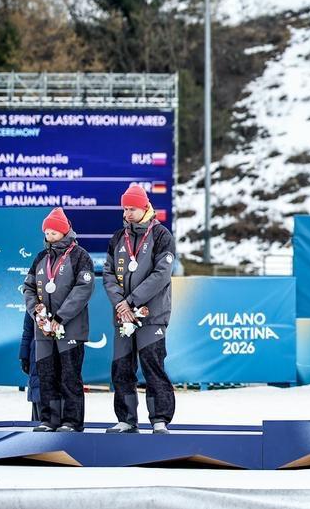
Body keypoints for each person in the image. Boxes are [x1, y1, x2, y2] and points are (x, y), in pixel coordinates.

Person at [103, 185, 177, 434]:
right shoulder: (118, 238)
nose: (127, 214)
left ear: (144, 208)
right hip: (123, 316)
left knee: (152, 366)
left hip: (151, 316)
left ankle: (160, 420)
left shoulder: (162, 235)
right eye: (124, 209)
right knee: (121, 368)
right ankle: (126, 420)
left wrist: (132, 301)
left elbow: (161, 274)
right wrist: (120, 303)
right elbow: (108, 274)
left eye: (131, 209)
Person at [22, 207, 95, 432]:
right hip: (44, 330)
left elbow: (83, 289)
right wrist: (37, 314)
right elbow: (28, 287)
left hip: (70, 328)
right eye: (47, 233)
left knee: (69, 376)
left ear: (64, 231)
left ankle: (71, 421)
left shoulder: (80, 256)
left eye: (54, 232)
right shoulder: (40, 258)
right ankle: (49, 420)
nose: (50, 236)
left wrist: (61, 317)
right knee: (47, 375)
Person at [18, 312, 40, 422]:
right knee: (38, 392)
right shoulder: (33, 303)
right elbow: (28, 331)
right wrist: (24, 356)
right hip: (36, 354)